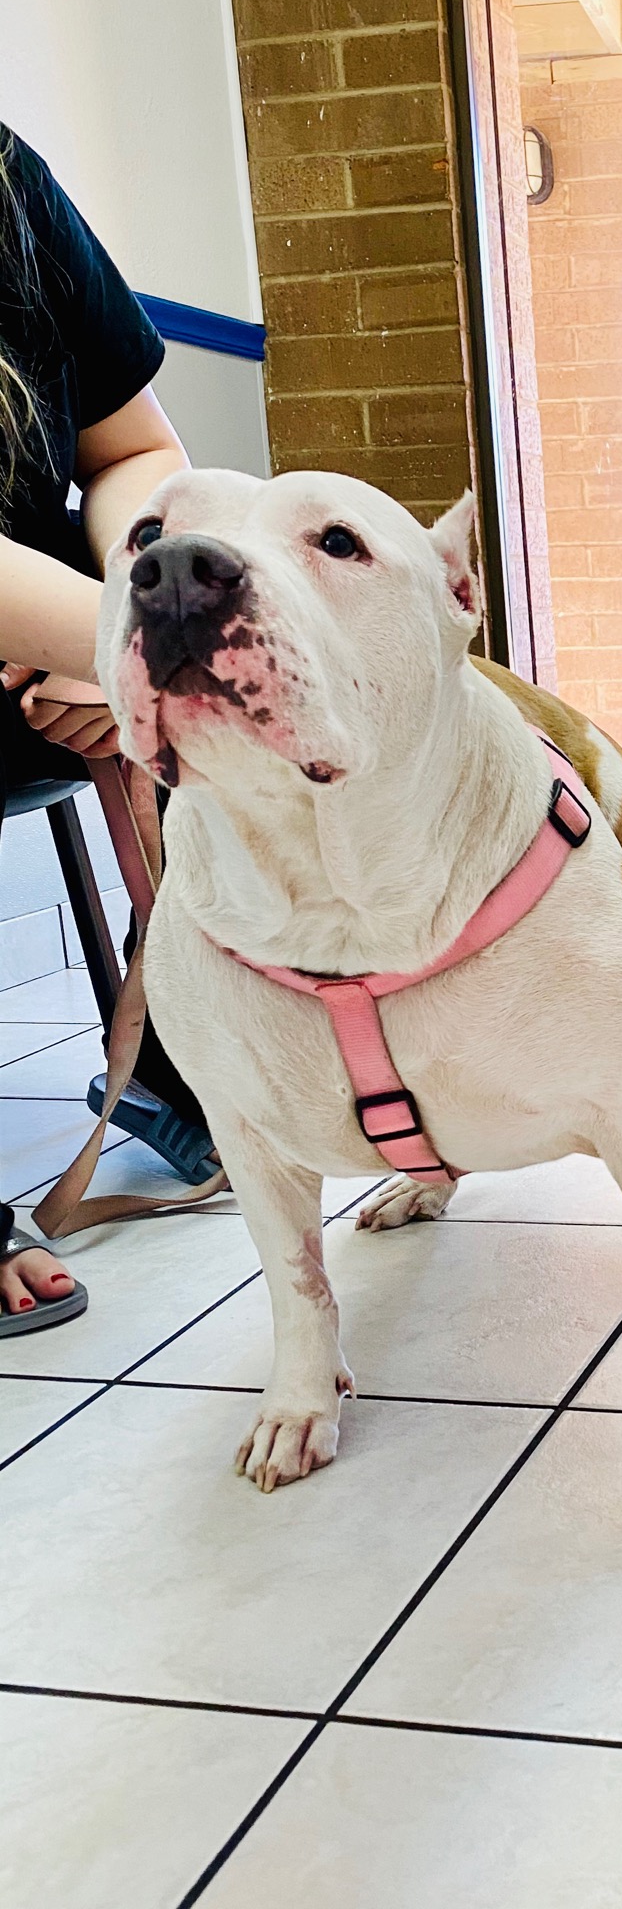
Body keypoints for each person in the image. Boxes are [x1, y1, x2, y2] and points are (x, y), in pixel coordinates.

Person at [0, 123, 209, 1334]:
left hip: (51, 643)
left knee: (249, 644)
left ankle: (197, 1061)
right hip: (61, 644)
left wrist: (136, 617)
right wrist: (127, 655)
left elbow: (138, 449)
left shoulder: (6, 174)